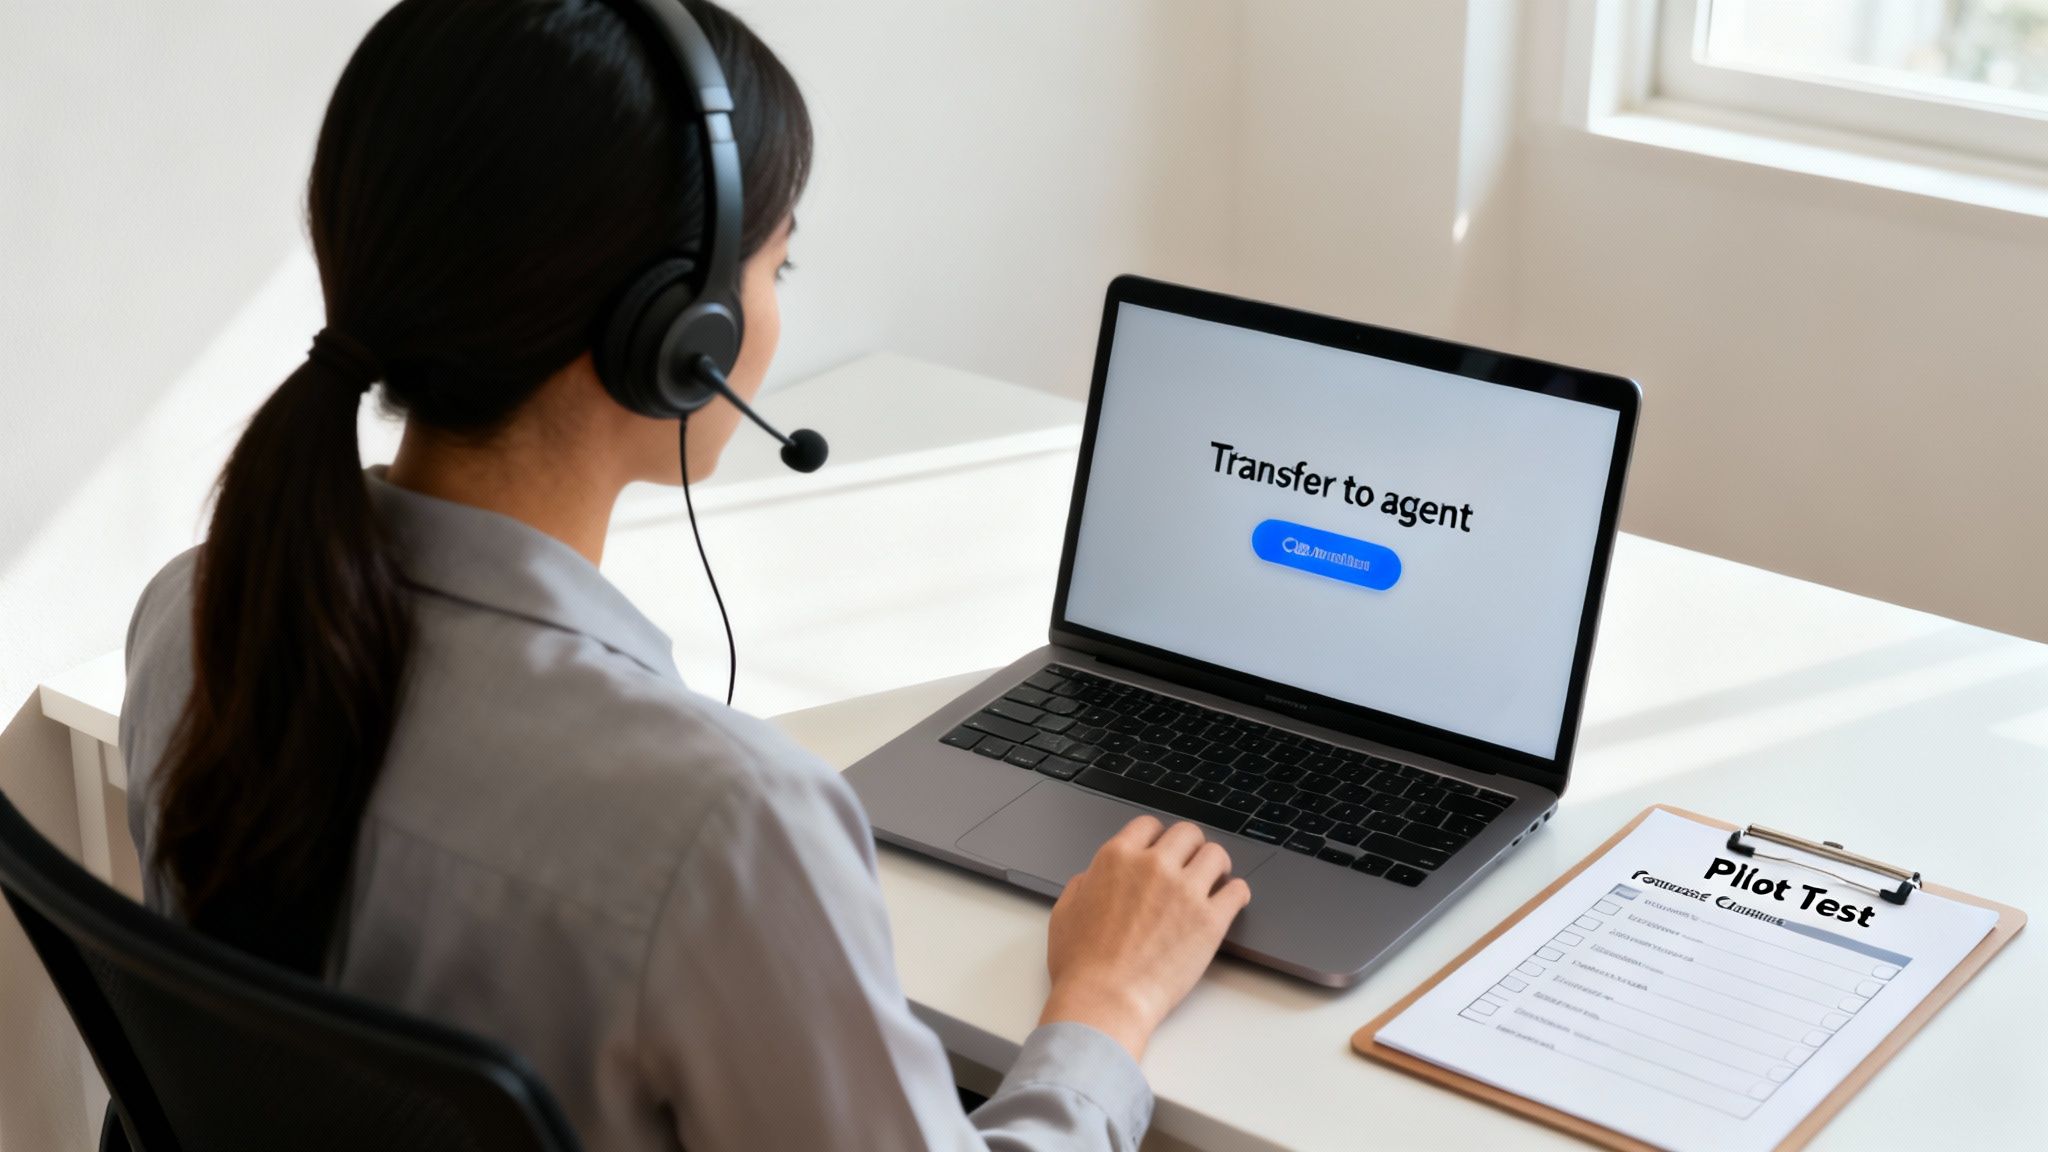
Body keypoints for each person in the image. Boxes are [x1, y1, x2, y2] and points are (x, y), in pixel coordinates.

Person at [118, 2, 1252, 1149]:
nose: (773, 305)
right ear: (673, 333)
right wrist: (1106, 1006)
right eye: (777, 259)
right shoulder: (725, 823)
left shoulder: (198, 619)